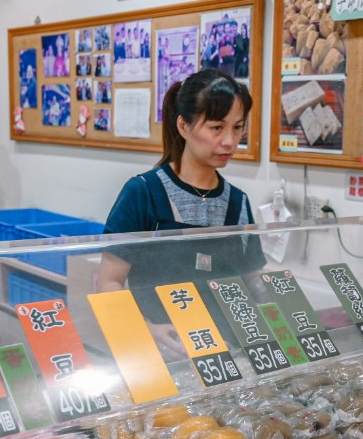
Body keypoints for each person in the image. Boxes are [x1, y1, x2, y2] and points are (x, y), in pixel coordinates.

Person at [99, 68, 265, 354]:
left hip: (225, 354)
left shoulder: (238, 202)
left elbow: (252, 279)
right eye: (216, 127)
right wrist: (144, 330)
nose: (229, 140)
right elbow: (108, 281)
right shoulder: (143, 193)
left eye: (237, 127)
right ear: (184, 126)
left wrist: (281, 305)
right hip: (160, 354)